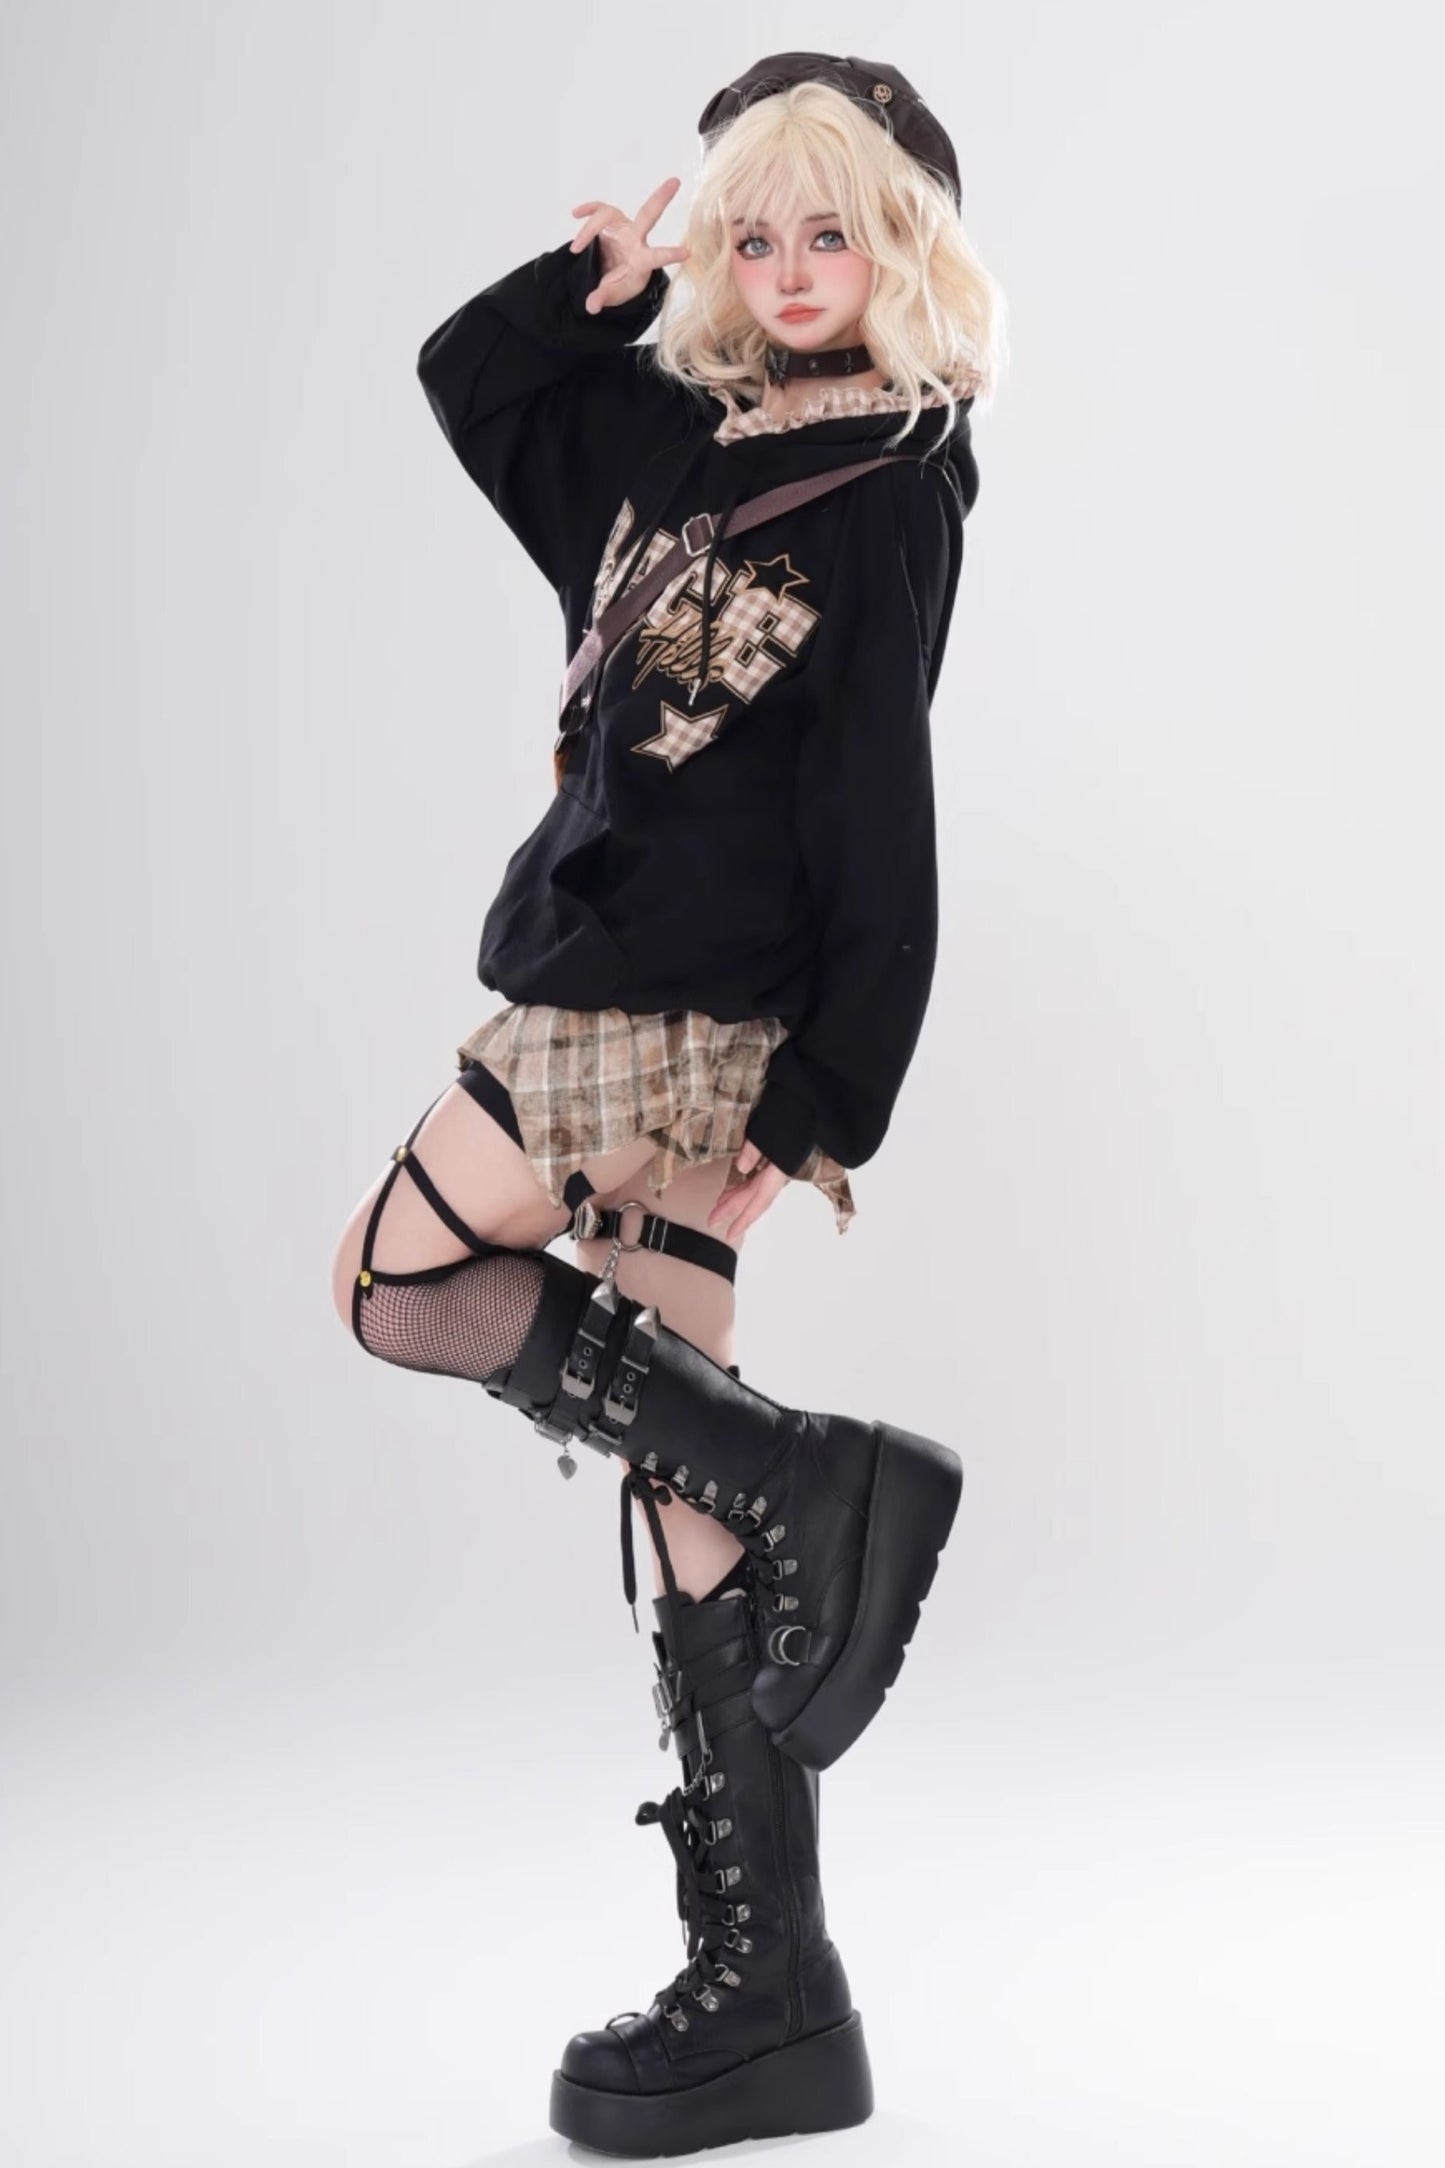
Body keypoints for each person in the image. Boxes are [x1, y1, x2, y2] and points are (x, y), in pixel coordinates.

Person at [330, 50, 1004, 2154]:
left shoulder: (896, 475)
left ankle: (814, 1503)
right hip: (610, 972)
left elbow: (879, 798)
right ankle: (772, 1982)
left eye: (837, 234)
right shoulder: (667, 433)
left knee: (390, 1281)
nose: (793, 271)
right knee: (682, 1502)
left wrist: (824, 1101)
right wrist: (599, 282)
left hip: (683, 1014)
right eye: (759, 231)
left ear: (900, 252)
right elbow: (469, 381)